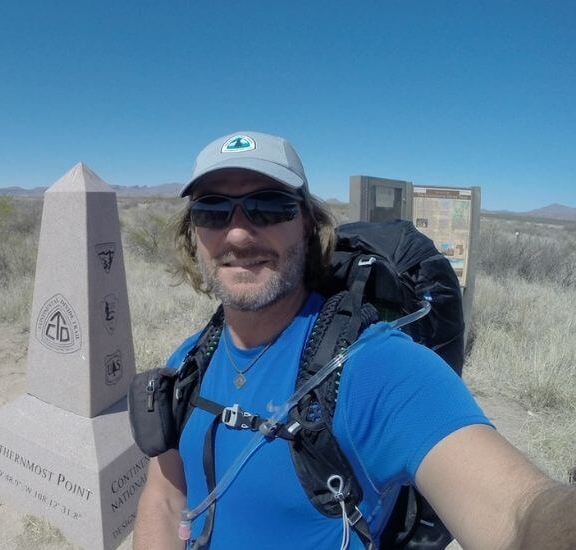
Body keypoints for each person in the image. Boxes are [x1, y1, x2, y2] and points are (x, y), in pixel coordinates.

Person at [133, 131, 576, 549]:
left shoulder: (376, 368)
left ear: (307, 225)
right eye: (212, 210)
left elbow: (518, 515)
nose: (238, 233)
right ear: (193, 232)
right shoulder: (193, 357)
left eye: (268, 206)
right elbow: (166, 495)